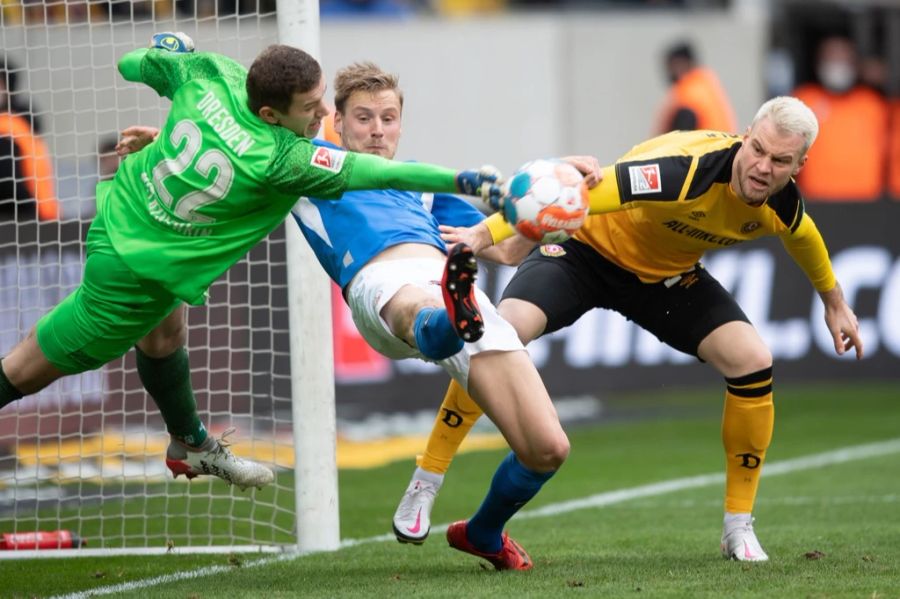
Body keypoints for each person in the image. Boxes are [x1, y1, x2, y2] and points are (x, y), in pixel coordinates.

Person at [0, 34, 502, 491]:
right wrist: (468, 180)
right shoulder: (283, 159)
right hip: (131, 278)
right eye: (311, 107)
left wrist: (163, 62)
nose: (323, 112)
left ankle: (191, 443)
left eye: (322, 96)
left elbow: (133, 61)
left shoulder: (210, 76)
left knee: (164, 334)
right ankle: (193, 444)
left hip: (122, 214)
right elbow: (378, 172)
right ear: (269, 114)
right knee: (21, 369)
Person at [393, 96, 863, 563]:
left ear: (799, 166)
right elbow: (580, 195)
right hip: (584, 253)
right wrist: (483, 235)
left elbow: (804, 238)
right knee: (503, 329)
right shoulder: (682, 170)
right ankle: (427, 479)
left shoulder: (780, 203)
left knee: (753, 360)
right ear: (744, 138)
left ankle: (738, 527)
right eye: (757, 150)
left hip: (664, 279)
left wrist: (834, 302)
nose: (763, 166)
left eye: (780, 160)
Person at [292, 61, 593, 570]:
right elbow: (241, 148)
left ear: (401, 124)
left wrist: (554, 206)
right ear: (337, 122)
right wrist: (165, 141)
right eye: (363, 118)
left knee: (547, 448)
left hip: (453, 289)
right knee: (426, 306)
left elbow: (510, 250)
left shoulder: (423, 187)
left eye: (387, 118)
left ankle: (482, 532)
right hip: (382, 288)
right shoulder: (311, 169)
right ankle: (449, 317)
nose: (377, 130)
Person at [792, 35, 888, 201]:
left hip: (868, 203)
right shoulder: (804, 100)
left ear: (855, 65)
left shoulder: (873, 104)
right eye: (831, 58)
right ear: (818, 63)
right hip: (815, 201)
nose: (837, 65)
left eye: (844, 59)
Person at [0, 54, 58, 222]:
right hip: (42, 216)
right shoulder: (22, 125)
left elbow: (9, 186)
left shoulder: (8, 129)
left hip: (21, 221)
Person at [654, 41, 736, 134]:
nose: (669, 73)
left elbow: (680, 136)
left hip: (706, 147)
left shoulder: (689, 96)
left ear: (684, 63)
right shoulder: (705, 85)